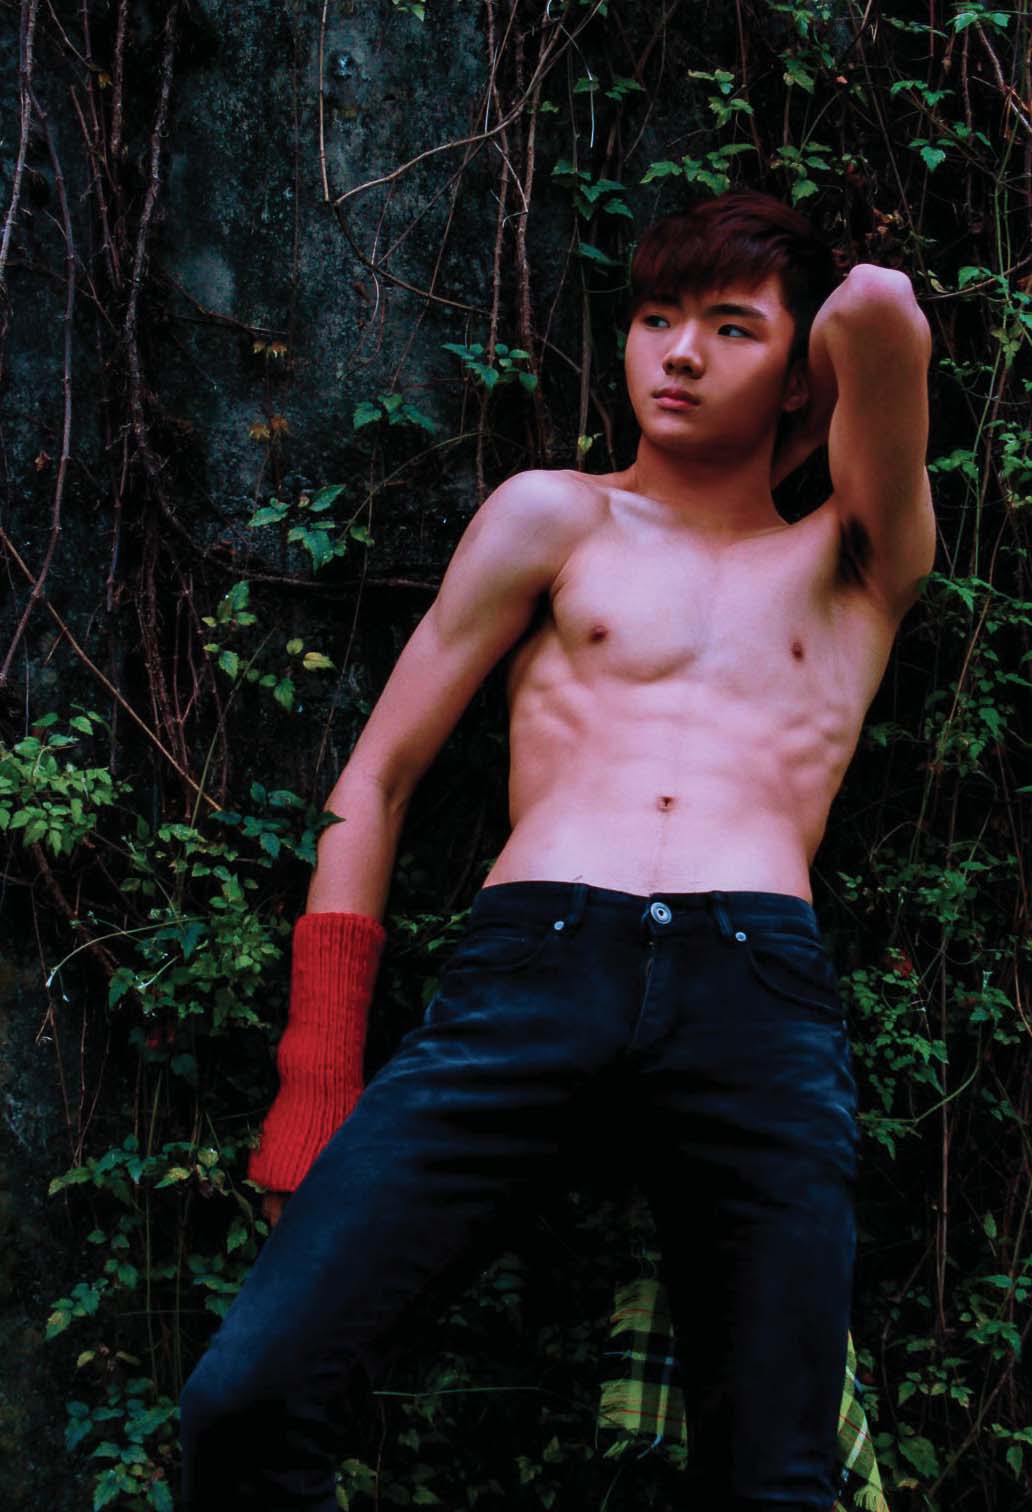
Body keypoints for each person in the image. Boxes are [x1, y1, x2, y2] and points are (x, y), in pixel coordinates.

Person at [179, 188, 935, 1510]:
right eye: (655, 319)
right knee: (247, 1399)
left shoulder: (856, 559)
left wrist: (811, 389)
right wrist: (318, 1072)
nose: (679, 354)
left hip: (754, 995)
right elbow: (378, 778)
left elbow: (878, 306)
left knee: (777, 1478)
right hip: (536, 967)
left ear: (800, 380)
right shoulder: (554, 517)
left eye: (731, 327)